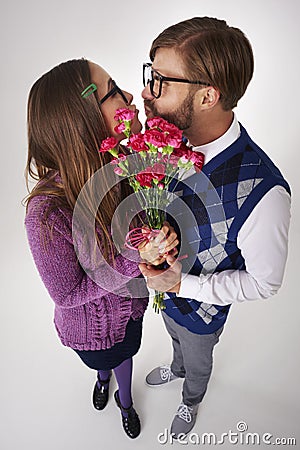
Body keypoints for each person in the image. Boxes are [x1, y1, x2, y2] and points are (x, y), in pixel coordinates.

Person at [139, 17, 291, 438]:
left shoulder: (265, 193)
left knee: (198, 356)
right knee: (173, 336)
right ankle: (175, 366)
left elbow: (265, 284)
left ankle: (192, 397)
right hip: (166, 300)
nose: (146, 95)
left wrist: (181, 285)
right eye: (150, 76)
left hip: (203, 313)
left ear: (208, 95)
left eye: (161, 82)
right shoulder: (165, 142)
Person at [24, 58, 177, 439]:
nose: (128, 95)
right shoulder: (47, 214)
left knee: (126, 357)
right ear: (83, 120)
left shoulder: (126, 168)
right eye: (112, 92)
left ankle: (125, 401)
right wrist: (132, 260)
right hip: (88, 330)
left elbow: (143, 230)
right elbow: (66, 293)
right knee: (104, 360)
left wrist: (161, 239)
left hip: (131, 316)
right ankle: (103, 380)